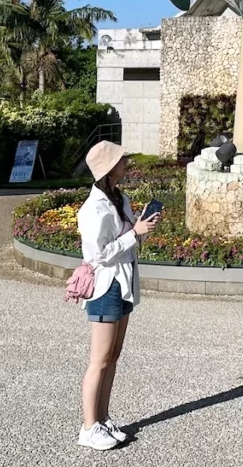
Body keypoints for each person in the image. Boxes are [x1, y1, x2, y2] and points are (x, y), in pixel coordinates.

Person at [77, 141, 160, 451]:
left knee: (113, 356)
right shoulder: (93, 208)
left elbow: (124, 237)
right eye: (122, 159)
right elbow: (97, 256)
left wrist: (138, 228)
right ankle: (88, 427)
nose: (127, 162)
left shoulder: (118, 198)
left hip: (122, 284)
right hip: (105, 287)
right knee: (98, 360)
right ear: (110, 168)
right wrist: (133, 235)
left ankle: (102, 418)